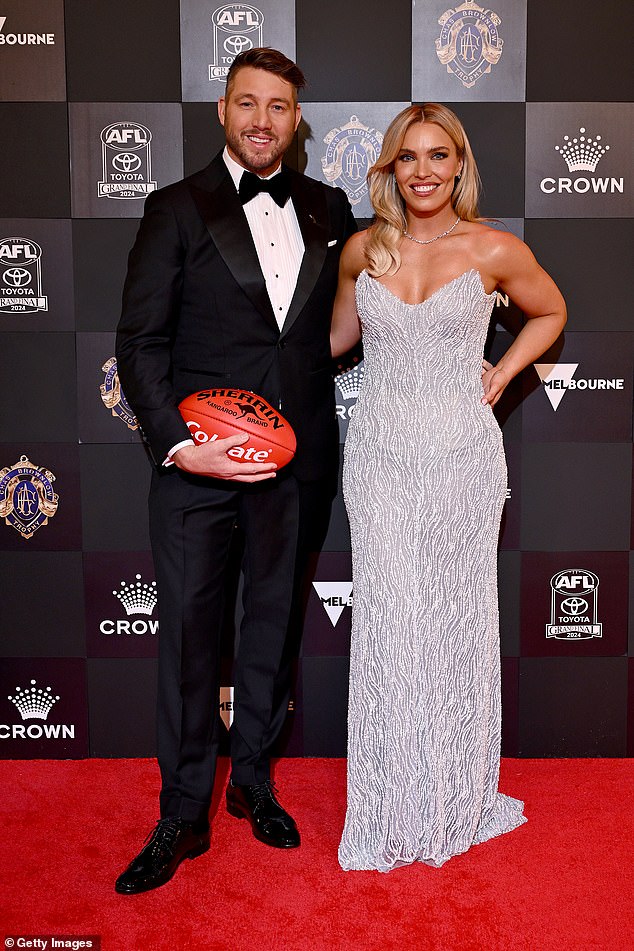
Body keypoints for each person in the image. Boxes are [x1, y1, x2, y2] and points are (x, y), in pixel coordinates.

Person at [114, 47, 356, 894]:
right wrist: (183, 441)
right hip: (197, 466)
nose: (262, 120)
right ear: (223, 111)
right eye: (247, 103)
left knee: (273, 628)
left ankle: (254, 779)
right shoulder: (175, 207)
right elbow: (139, 342)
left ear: (297, 120)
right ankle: (182, 810)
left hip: (296, 465)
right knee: (187, 636)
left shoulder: (331, 209)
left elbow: (348, 324)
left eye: (279, 107)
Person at [330, 103, 566, 871]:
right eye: (409, 157)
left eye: (439, 155)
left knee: (454, 620)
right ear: (390, 167)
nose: (424, 170)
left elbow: (551, 309)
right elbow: (331, 340)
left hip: (462, 456)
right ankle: (395, 799)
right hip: (380, 456)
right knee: (392, 626)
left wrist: (504, 368)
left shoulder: (494, 246)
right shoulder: (362, 249)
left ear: (459, 165)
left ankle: (455, 792)